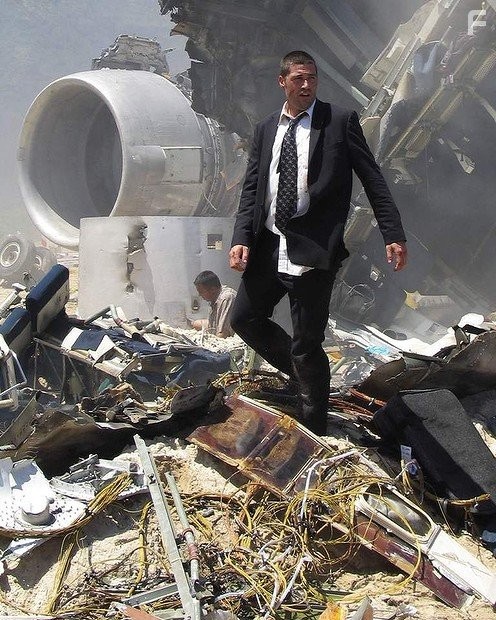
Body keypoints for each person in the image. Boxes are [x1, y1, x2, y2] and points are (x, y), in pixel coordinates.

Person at [229, 50, 407, 435]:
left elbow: (372, 178)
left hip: (313, 248)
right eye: (298, 79)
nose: (307, 85)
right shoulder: (266, 129)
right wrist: (241, 237)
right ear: (282, 82)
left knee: (307, 344)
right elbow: (252, 189)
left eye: (311, 78)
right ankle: (306, 379)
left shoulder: (339, 121)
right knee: (243, 318)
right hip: (270, 246)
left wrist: (392, 232)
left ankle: (313, 426)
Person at [190, 271, 236, 338]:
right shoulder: (214, 297)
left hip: (229, 332)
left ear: (212, 289)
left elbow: (223, 333)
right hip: (216, 327)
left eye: (201, 292)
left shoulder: (226, 298)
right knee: (196, 324)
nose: (199, 295)